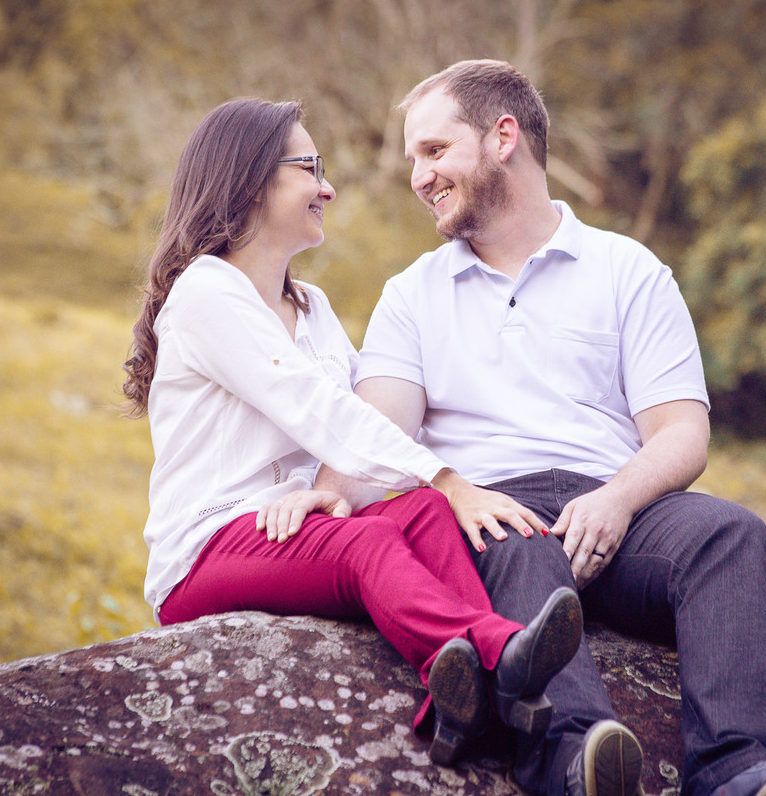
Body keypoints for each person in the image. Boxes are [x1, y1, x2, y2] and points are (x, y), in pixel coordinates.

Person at [341, 60, 766, 796]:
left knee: (734, 536)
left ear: (503, 137)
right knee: (517, 546)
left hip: (616, 513)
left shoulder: (627, 270)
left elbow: (682, 431)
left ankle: (737, 770)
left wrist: (617, 499)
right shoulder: (411, 295)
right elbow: (378, 436)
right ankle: (573, 758)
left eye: (434, 150)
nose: (417, 175)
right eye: (416, 157)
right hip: (494, 514)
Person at [120, 97, 585, 767]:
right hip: (207, 548)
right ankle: (501, 650)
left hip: (289, 530)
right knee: (372, 539)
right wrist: (447, 475)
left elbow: (367, 420)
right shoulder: (206, 292)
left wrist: (369, 488)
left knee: (421, 511)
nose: (327, 188)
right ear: (252, 182)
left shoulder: (312, 307)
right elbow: (316, 407)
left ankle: (460, 704)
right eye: (310, 168)